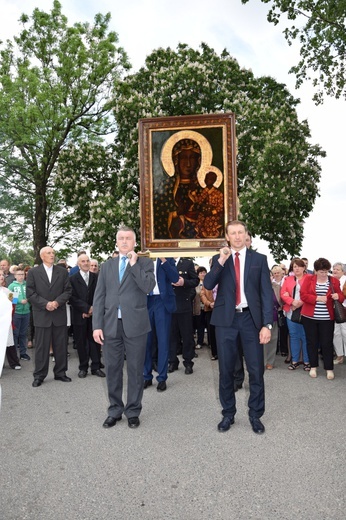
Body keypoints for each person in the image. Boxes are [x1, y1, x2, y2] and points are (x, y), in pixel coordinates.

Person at [203, 220, 273, 434]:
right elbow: (207, 284)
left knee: (256, 370)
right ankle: (228, 413)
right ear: (227, 236)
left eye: (240, 232)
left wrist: (267, 324)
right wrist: (222, 260)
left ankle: (255, 414)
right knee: (225, 370)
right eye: (232, 233)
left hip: (251, 320)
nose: (237, 236)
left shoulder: (259, 259)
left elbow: (266, 294)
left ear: (246, 234)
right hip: (226, 321)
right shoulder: (219, 259)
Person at [92, 226, 155, 429]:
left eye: (129, 238)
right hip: (111, 326)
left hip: (136, 325)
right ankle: (115, 410)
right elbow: (99, 296)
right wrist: (97, 326)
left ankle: (133, 411)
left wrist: (134, 264)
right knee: (112, 369)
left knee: (136, 370)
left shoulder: (145, 263)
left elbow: (148, 287)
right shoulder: (107, 266)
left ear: (135, 243)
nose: (125, 241)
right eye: (121, 238)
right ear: (116, 242)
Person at [26, 247, 72, 387]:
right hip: (42, 314)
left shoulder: (62, 272)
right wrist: (46, 304)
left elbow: (68, 290)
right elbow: (30, 293)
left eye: (53, 253)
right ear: (42, 256)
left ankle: (60, 373)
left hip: (59, 314)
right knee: (41, 347)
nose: (52, 255)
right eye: (49, 253)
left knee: (61, 346)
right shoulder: (33, 272)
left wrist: (57, 302)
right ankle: (39, 375)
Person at [300, 258, 344, 380]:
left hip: (327, 318)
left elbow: (341, 296)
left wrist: (337, 296)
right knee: (312, 342)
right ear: (316, 270)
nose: (324, 274)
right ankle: (313, 366)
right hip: (309, 317)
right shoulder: (308, 279)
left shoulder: (334, 281)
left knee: (327, 343)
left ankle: (329, 369)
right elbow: (303, 295)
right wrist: (317, 298)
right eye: (321, 272)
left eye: (326, 271)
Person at [143, 257, 179, 392]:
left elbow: (175, 278)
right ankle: (146, 375)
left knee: (163, 342)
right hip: (146, 302)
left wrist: (163, 260)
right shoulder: (141, 258)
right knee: (146, 342)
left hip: (162, 302)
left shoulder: (167, 258)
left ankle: (162, 377)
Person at [69, 254, 105, 378]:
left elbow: (101, 294)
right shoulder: (72, 279)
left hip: (95, 315)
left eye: (87, 261)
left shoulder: (97, 278)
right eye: (82, 261)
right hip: (80, 315)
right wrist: (85, 309)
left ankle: (96, 366)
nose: (85, 263)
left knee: (95, 342)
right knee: (81, 342)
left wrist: (93, 309)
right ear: (78, 264)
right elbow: (71, 297)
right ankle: (83, 367)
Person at [168, 257, 199, 374]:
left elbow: (195, 281)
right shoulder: (165, 262)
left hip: (184, 305)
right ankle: (172, 361)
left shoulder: (187, 263)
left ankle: (188, 362)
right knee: (171, 336)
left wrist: (184, 282)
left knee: (187, 336)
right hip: (169, 306)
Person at [280, 258, 310, 371]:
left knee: (305, 337)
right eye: (294, 266)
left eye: (298, 266)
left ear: (304, 267)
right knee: (293, 336)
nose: (296, 268)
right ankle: (295, 361)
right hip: (291, 312)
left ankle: (307, 361)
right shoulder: (287, 279)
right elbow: (283, 293)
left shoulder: (310, 279)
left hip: (306, 311)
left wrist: (299, 303)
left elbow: (311, 293)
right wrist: (292, 301)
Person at [8, 268, 31, 361]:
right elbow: (10, 299)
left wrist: (28, 300)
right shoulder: (12, 286)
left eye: (22, 274)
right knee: (15, 334)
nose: (21, 276)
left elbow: (31, 295)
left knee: (23, 333)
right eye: (19, 274)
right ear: (15, 276)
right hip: (16, 313)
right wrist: (19, 301)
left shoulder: (27, 285)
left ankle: (23, 353)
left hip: (26, 312)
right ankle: (14, 355)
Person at [0, 269, 21, 370]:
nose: (2, 277)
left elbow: (15, 301)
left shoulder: (7, 290)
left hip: (5, 321)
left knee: (9, 342)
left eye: (2, 275)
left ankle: (14, 362)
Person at [194, 171, 224, 238]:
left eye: (209, 179)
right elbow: (199, 201)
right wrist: (194, 194)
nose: (207, 180)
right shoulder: (204, 191)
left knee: (210, 222)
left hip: (214, 215)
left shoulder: (218, 193)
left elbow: (221, 206)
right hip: (203, 214)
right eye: (206, 178)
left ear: (213, 181)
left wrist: (212, 212)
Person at [331, 262, 346, 364]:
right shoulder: (331, 281)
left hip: (344, 310)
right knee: (336, 334)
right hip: (334, 311)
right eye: (334, 269)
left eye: (338, 269)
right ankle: (339, 356)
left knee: (345, 333)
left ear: (343, 271)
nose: (335, 271)